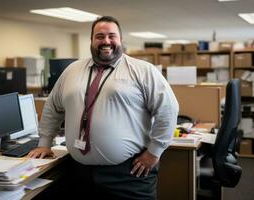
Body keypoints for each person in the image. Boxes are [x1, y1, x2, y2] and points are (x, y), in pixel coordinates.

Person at [28, 16, 179, 200]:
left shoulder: (143, 70)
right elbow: (53, 107)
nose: (106, 41)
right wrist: (44, 142)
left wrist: (154, 152)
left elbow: (168, 110)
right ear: (91, 40)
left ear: (120, 40)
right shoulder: (72, 70)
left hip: (129, 174)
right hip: (80, 173)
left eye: (111, 36)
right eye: (99, 36)